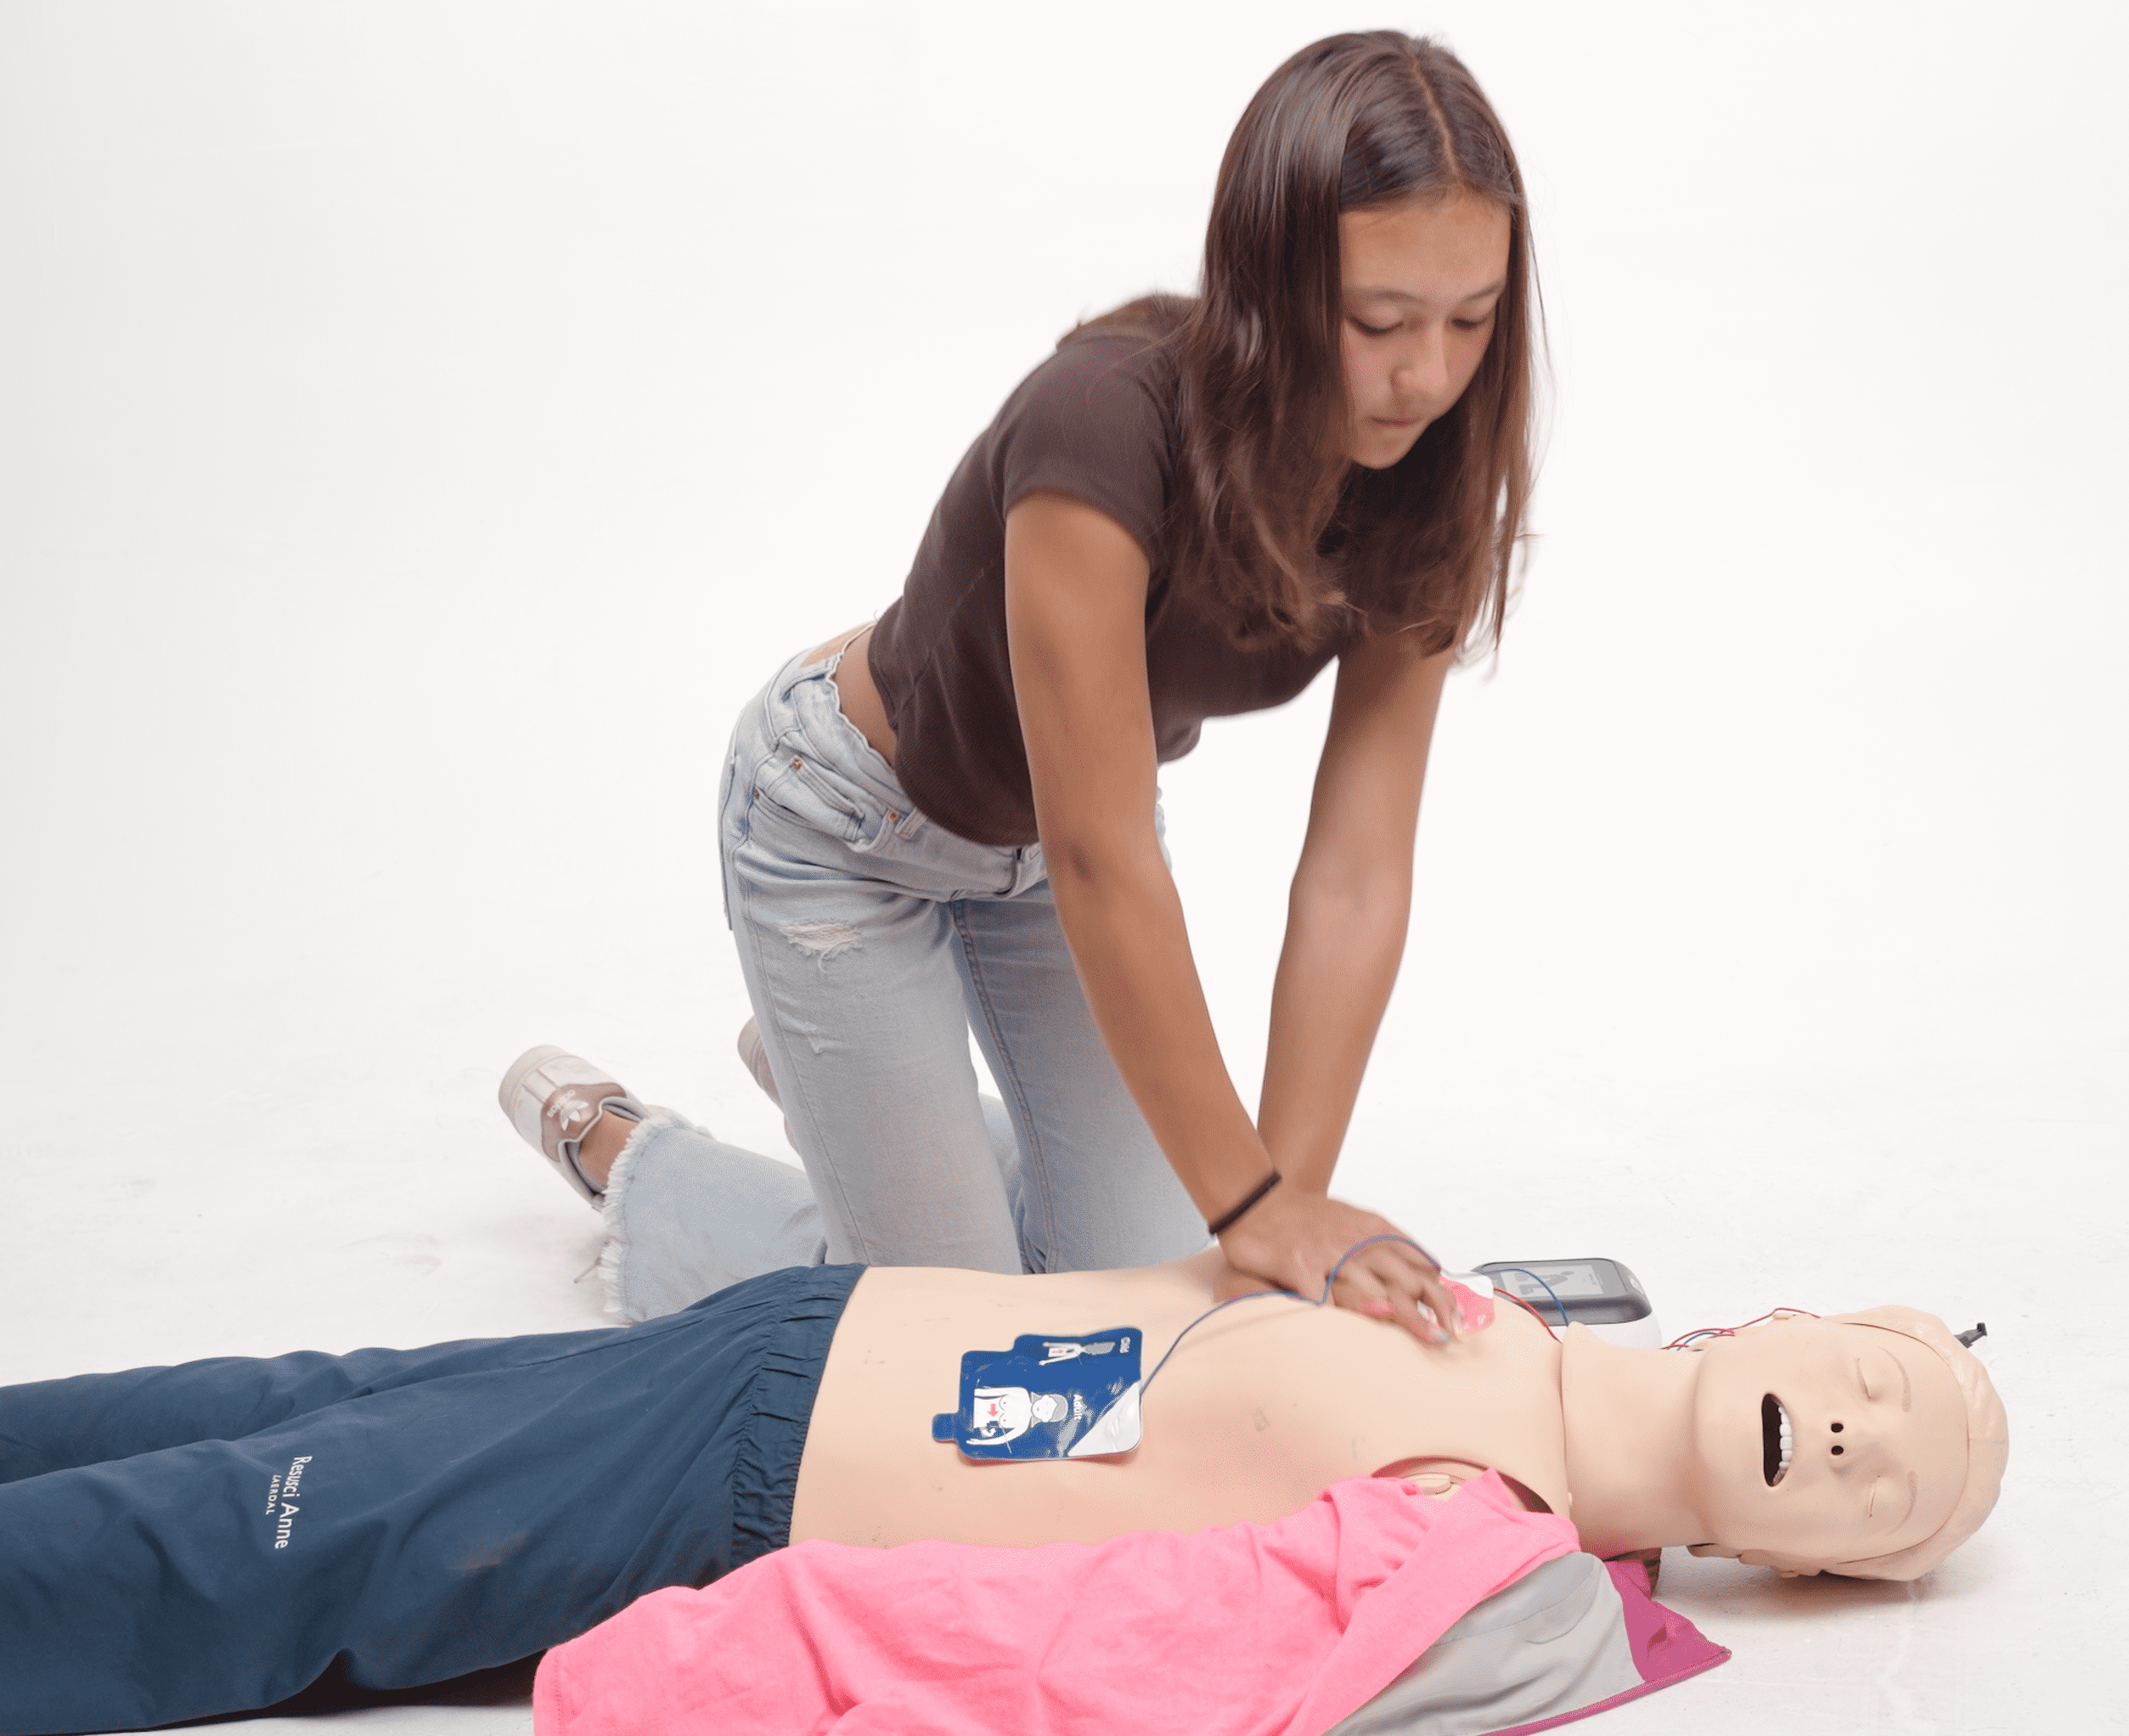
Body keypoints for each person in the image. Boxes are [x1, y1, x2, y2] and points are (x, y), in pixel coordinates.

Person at [0, 1228, 2004, 1736]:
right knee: (247, 1403)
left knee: (208, 1552)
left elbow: (1127, 1680)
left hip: (751, 1482)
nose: (1865, 1446)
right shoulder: (1518, 1294)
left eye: (1885, 1503)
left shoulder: (1484, 1547)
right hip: (790, 1337)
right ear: (1798, 1310)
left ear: (1806, 1560)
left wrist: (724, 1706)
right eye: (1884, 1386)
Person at [532, 31, 1544, 1344]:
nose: (1429, 375)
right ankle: (641, 1156)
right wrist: (1245, 1199)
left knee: (1159, 1300)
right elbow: (1102, 850)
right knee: (964, 1344)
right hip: (847, 836)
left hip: (1048, 866)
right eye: (1379, 322)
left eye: (1472, 321)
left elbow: (1356, 870)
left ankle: (855, 1097)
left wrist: (1279, 1213)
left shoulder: (1429, 480)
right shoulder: (1101, 422)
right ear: (1273, 287)